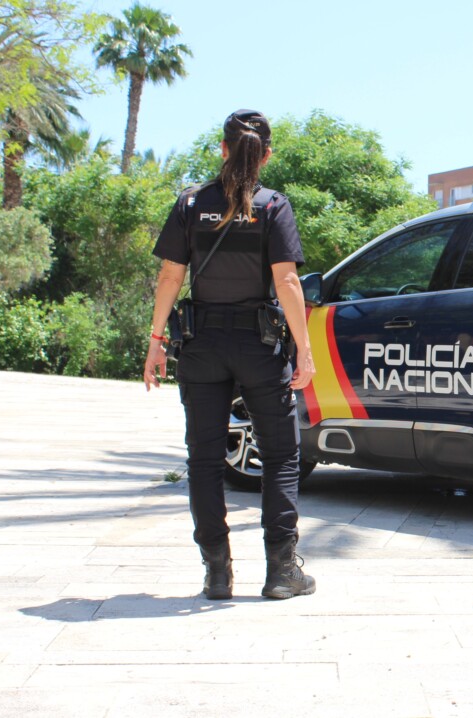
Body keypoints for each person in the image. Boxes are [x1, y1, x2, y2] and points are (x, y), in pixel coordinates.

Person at [143, 109, 317, 600]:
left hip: (200, 346)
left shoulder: (191, 204)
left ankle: (217, 573)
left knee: (202, 460)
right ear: (265, 155)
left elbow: (170, 278)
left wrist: (156, 342)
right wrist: (304, 352)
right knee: (281, 457)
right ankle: (282, 572)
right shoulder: (272, 206)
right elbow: (286, 281)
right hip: (258, 346)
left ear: (222, 149)